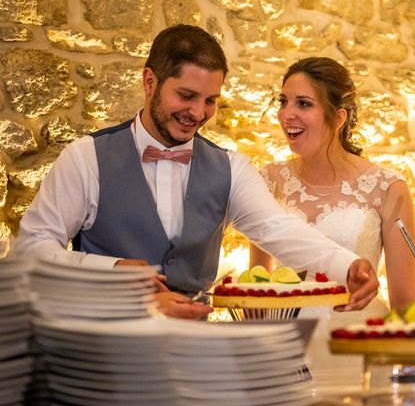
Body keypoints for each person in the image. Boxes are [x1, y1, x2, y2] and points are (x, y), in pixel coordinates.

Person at [11, 25, 379, 320]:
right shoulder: (85, 157)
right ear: (149, 82)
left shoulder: (231, 167)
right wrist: (112, 270)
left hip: (193, 355)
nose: (198, 112)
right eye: (186, 96)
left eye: (210, 100)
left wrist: (346, 265)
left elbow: (277, 228)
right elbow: (31, 248)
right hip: (99, 349)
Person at [250, 57, 415, 368]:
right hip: (285, 352)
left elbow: (405, 304)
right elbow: (257, 288)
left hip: (357, 348)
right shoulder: (267, 181)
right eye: (283, 101)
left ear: (338, 117)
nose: (287, 114)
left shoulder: (388, 188)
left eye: (303, 103)